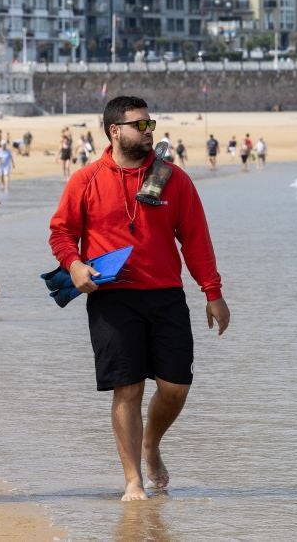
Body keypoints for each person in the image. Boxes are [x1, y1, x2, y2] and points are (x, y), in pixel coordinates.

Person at [48, 95, 230, 501]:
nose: (149, 132)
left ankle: (151, 443)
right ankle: (133, 480)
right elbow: (61, 232)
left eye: (151, 124)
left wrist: (212, 292)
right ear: (115, 131)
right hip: (112, 299)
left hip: (166, 296)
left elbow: (196, 239)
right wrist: (75, 265)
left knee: (176, 387)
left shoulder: (172, 178)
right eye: (140, 125)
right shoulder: (86, 179)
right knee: (126, 389)